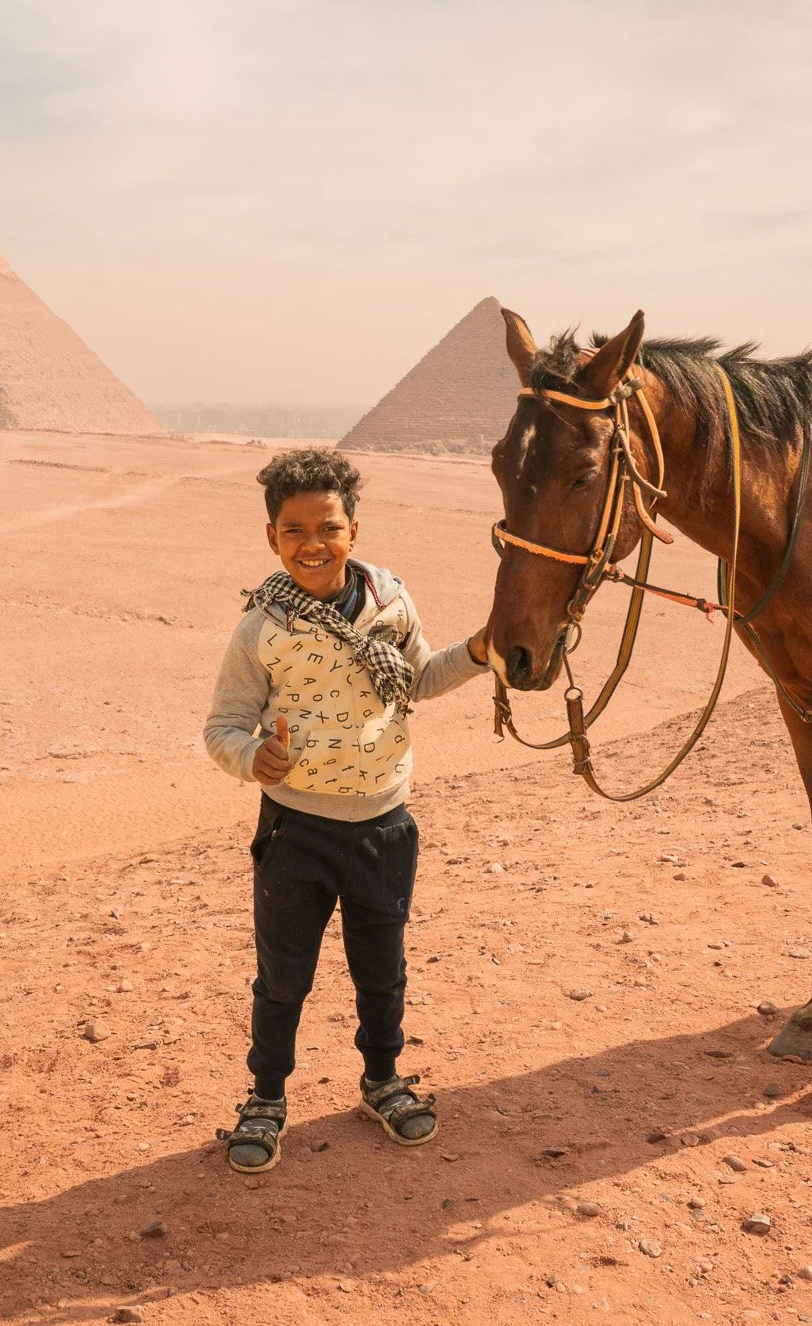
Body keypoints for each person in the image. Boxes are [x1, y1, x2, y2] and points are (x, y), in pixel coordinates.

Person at [201, 448, 490, 1174]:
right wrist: (250, 757)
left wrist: (482, 650)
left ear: (354, 529)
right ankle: (266, 1098)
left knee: (381, 967)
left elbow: (421, 677)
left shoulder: (392, 601)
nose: (311, 543)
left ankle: (382, 1080)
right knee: (283, 974)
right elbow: (223, 725)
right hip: (295, 828)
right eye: (293, 529)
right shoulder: (261, 626)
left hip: (385, 824)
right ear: (271, 537)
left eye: (327, 526)